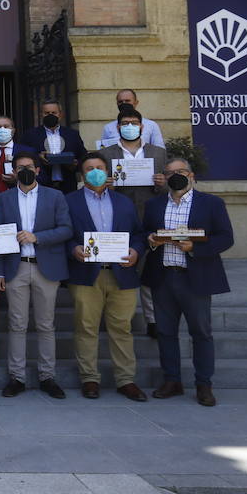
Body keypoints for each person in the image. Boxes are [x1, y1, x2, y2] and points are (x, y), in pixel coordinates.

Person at [143, 158, 235, 407]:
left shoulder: (211, 204)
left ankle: (204, 384)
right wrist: (151, 239)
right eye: (170, 173)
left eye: (181, 172)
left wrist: (194, 247)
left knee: (201, 333)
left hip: (195, 277)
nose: (176, 176)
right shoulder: (154, 204)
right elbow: (144, 232)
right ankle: (172, 380)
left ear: (191, 175)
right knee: (165, 332)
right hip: (163, 276)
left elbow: (226, 238)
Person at [65, 153, 148, 401]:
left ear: (107, 171)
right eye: (89, 168)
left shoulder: (124, 202)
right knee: (86, 328)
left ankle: (126, 380)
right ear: (82, 174)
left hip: (122, 273)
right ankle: (89, 378)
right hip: (86, 274)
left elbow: (139, 234)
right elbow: (63, 232)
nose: (95, 172)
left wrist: (136, 251)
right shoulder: (69, 201)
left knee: (122, 328)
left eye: (99, 168)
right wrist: (73, 248)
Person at [0, 152, 73, 398]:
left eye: (28, 167)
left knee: (46, 324)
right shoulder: (4, 198)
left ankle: (47, 376)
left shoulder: (55, 196)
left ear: (37, 170)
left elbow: (66, 229)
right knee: (17, 324)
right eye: (19, 168)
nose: (24, 170)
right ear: (13, 172)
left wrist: (38, 237)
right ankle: (17, 377)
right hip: (16, 267)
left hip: (45, 267)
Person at [97, 107, 168, 338]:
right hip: (118, 216)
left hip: (150, 215)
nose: (130, 126)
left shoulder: (158, 153)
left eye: (134, 122)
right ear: (118, 127)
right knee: (118, 266)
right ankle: (112, 319)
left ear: (142, 127)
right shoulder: (106, 154)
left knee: (149, 269)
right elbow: (95, 184)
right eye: (125, 122)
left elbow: (167, 189)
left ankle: (152, 320)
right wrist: (105, 183)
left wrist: (162, 183)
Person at [21, 99, 86, 192]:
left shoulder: (72, 135)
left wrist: (74, 164)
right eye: (46, 113)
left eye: (54, 112)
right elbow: (22, 157)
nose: (50, 115)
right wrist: (38, 157)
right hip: (41, 186)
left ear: (60, 114)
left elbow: (83, 157)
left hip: (68, 185)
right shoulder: (30, 135)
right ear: (41, 115)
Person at [97, 89, 166, 149]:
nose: (124, 104)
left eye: (127, 101)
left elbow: (159, 150)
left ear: (136, 103)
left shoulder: (151, 125)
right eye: (120, 102)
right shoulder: (108, 127)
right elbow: (104, 150)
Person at [0, 116, 36, 192]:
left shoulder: (28, 151)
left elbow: (39, 176)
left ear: (13, 131)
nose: (2, 129)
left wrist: (18, 178)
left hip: (20, 194)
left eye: (6, 127)